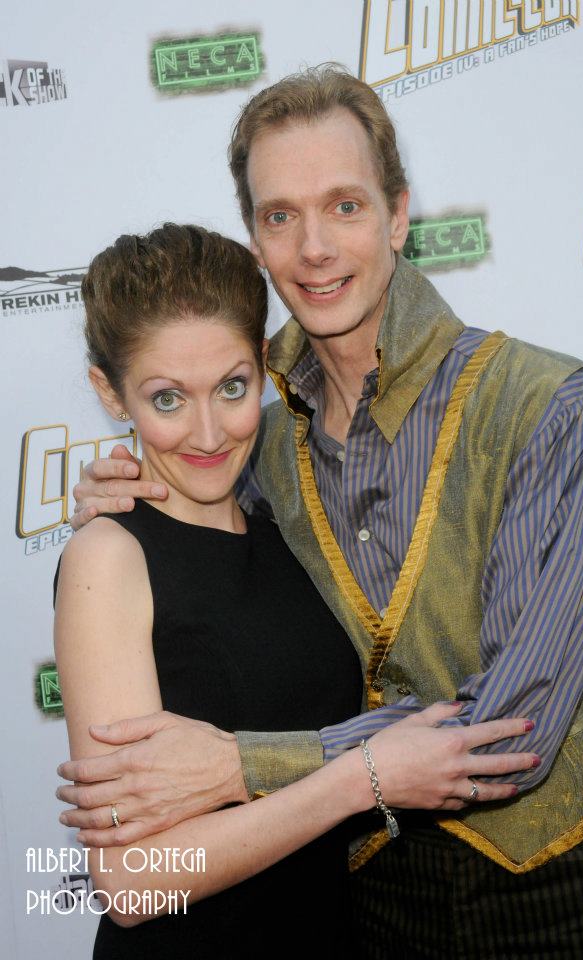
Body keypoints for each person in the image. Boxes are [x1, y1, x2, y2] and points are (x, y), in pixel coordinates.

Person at [62, 67, 583, 957]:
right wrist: (117, 498)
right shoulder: (242, 447)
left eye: (343, 205)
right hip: (364, 902)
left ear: (399, 214)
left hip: (562, 896)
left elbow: (515, 723)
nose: (313, 249)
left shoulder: (550, 404)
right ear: (255, 241)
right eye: (280, 216)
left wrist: (238, 765)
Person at [55, 223, 541, 958]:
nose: (209, 432)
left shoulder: (289, 525)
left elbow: (415, 678)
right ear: (109, 391)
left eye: (232, 386)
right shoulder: (108, 557)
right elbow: (130, 882)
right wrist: (358, 782)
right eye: (166, 399)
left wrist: (568, 725)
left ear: (263, 366)